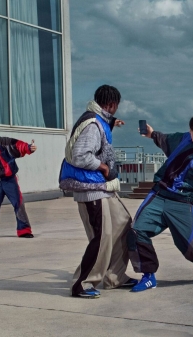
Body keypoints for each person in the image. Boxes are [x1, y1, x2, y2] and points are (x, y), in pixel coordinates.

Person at [127, 115, 193, 292]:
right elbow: (168, 139)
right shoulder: (185, 139)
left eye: (191, 131)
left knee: (192, 247)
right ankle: (148, 276)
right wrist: (152, 134)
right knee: (136, 231)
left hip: (182, 203)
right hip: (159, 194)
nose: (188, 133)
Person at [59, 84, 136, 299]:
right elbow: (80, 155)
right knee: (101, 236)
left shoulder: (100, 120)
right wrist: (103, 167)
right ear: (111, 104)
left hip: (103, 188)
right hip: (91, 189)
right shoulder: (92, 124)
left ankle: (115, 276)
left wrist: (113, 123)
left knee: (122, 223)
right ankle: (82, 284)